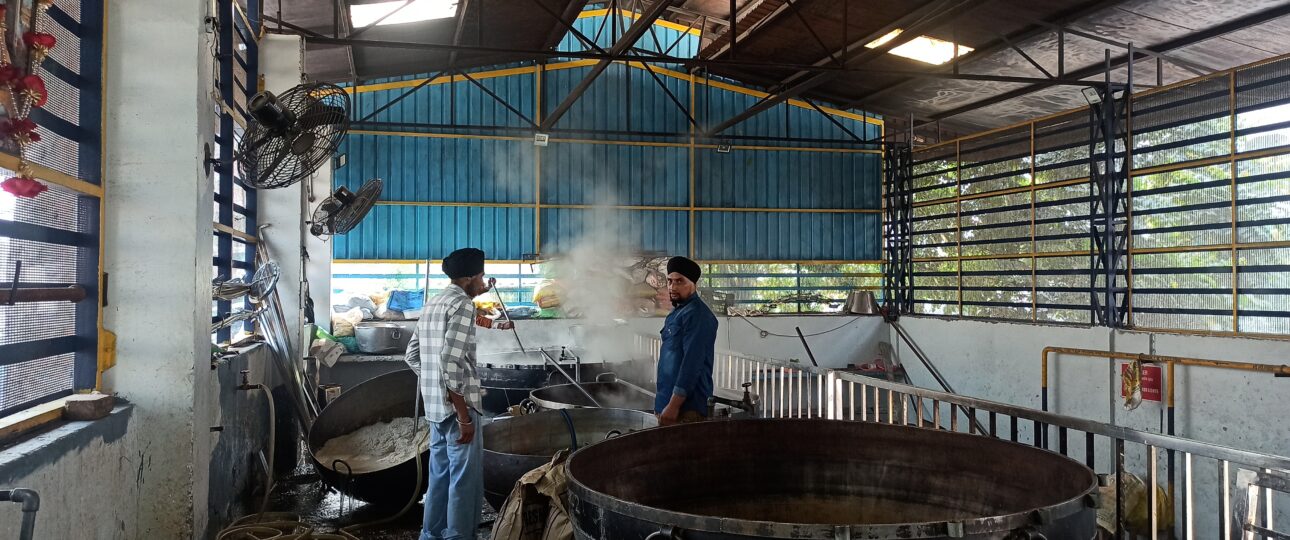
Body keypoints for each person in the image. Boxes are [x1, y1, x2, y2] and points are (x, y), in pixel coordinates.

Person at [414, 247, 512, 540]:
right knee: (463, 481)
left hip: (434, 408)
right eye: (481, 278)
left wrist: (435, 384)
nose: (483, 283)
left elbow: (412, 355)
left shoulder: (434, 302)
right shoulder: (462, 306)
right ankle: (457, 536)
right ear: (469, 278)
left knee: (440, 476)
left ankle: (430, 534)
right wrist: (462, 414)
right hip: (460, 409)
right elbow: (450, 361)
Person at [654, 255, 718, 425]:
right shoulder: (677, 313)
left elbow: (692, 364)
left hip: (686, 410)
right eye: (670, 281)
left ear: (693, 284)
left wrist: (674, 406)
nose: (672, 287)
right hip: (666, 403)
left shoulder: (698, 315)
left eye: (679, 281)